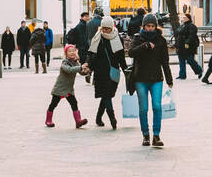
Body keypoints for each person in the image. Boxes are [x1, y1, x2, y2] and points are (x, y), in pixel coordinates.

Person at [128, 14, 172, 148]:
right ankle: (145, 135)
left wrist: (169, 79)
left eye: (153, 26)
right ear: (143, 26)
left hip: (156, 78)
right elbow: (131, 52)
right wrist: (145, 46)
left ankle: (156, 135)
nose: (150, 29)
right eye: (148, 26)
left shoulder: (161, 40)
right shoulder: (138, 38)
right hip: (140, 78)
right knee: (143, 108)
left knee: (157, 107)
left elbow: (165, 61)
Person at [85, 20, 127, 128]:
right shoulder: (97, 38)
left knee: (106, 95)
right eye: (104, 28)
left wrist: (126, 70)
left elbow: (121, 57)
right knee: (106, 95)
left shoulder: (117, 38)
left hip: (113, 71)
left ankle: (98, 118)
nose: (106, 31)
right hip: (100, 72)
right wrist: (89, 66)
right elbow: (91, 54)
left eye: (108, 28)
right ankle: (112, 118)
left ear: (112, 28)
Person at [47, 44, 89, 128]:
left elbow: (80, 72)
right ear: (66, 53)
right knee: (53, 104)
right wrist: (81, 67)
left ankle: (78, 121)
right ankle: (48, 120)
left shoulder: (76, 62)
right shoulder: (64, 62)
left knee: (74, 103)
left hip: (69, 89)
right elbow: (69, 70)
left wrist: (86, 71)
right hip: (60, 88)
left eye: (73, 51)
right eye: (69, 51)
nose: (72, 53)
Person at [174, 12, 203, 81]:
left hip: (188, 46)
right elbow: (178, 33)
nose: (183, 18)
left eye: (184, 17)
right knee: (181, 60)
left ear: (188, 18)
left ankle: (199, 70)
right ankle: (182, 75)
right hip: (181, 46)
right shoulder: (182, 25)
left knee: (190, 60)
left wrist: (187, 42)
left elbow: (191, 35)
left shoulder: (191, 26)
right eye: (183, 17)